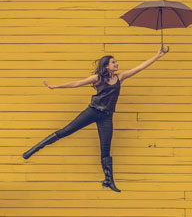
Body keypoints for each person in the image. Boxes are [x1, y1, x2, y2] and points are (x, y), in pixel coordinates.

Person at [22, 46, 169, 192]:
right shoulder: (98, 78)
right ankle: (34, 149)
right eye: (113, 62)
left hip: (107, 117)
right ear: (106, 66)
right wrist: (55, 86)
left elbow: (139, 68)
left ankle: (108, 180)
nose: (116, 64)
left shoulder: (120, 77)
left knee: (105, 148)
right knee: (66, 130)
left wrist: (157, 55)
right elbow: (77, 83)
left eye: (115, 62)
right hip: (92, 111)